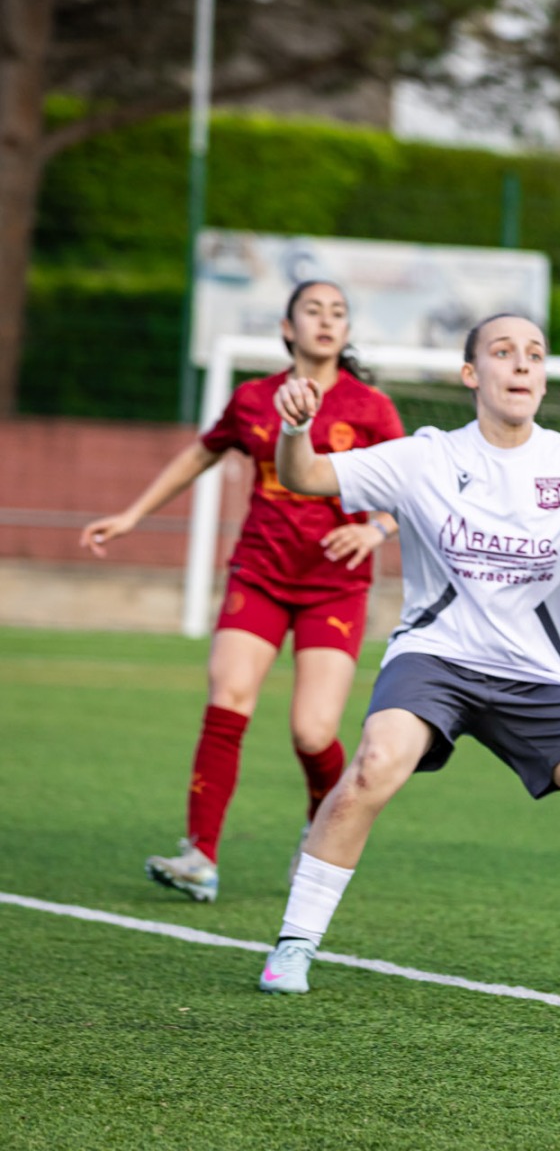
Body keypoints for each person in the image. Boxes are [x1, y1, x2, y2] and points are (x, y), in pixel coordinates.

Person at [254, 313, 560, 1001]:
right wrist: (295, 427)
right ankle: (294, 943)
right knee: (374, 766)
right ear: (471, 374)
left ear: (544, 378)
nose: (521, 364)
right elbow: (303, 474)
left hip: (535, 678)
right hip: (434, 660)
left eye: (534, 354)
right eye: (503, 352)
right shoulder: (425, 457)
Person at [80, 280, 404, 902]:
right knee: (227, 698)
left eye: (338, 312)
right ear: (287, 327)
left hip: (335, 585)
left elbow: (414, 481)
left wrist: (377, 530)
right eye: (313, 310)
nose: (326, 320)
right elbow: (199, 455)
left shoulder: (370, 407)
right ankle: (199, 855)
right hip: (259, 572)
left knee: (313, 733)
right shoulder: (254, 398)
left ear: (346, 330)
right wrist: (131, 514)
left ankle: (321, 828)